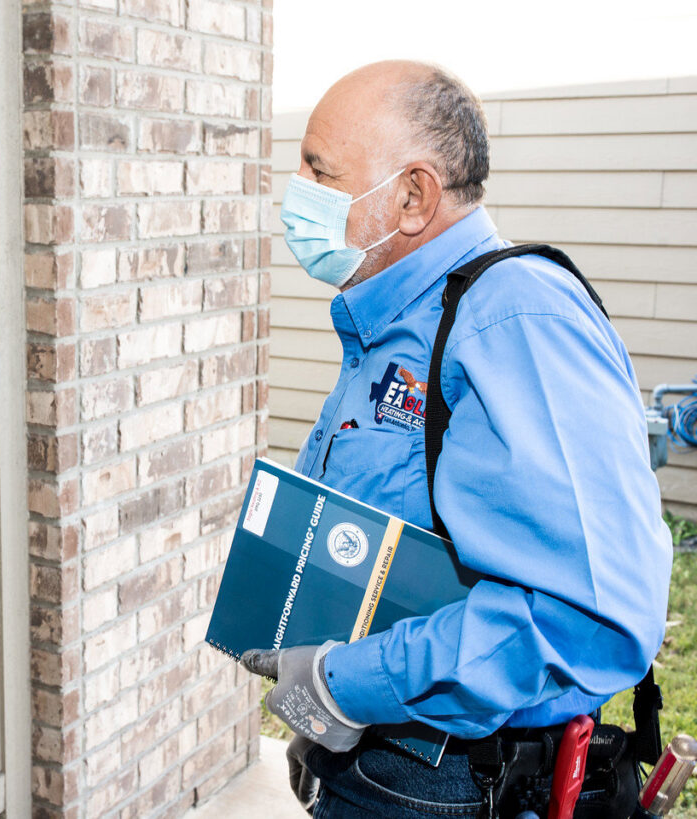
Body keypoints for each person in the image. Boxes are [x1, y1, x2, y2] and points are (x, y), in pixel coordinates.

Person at [241, 61, 672, 817]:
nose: (295, 186)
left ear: (412, 196)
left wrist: (346, 682)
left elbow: (584, 617)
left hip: (444, 783)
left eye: (319, 168)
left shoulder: (515, 320)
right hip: (375, 766)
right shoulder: (394, 318)